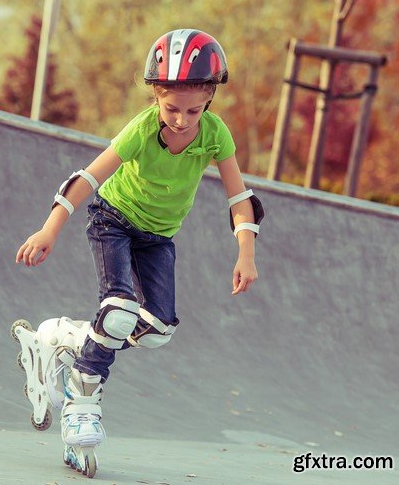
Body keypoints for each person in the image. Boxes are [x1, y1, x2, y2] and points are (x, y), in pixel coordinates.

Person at [15, 28, 264, 454]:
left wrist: (246, 253)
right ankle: (81, 400)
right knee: (118, 310)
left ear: (209, 99)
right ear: (154, 96)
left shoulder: (216, 135)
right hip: (112, 220)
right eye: (172, 108)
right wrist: (50, 227)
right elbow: (89, 176)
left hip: (158, 238)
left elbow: (240, 196)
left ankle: (62, 338)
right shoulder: (142, 130)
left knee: (157, 330)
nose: (182, 120)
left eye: (194, 110)